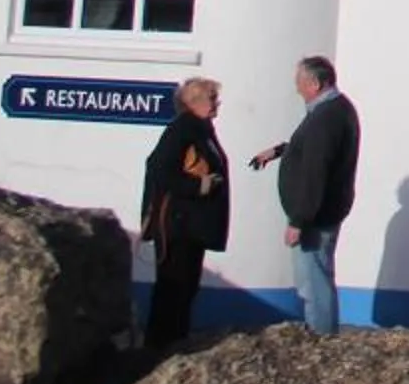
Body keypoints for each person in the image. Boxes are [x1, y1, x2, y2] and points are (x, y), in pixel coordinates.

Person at [249, 55, 360, 335]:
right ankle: (322, 336)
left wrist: (299, 220)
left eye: (299, 82)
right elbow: (313, 150)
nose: (297, 88)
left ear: (315, 83)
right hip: (323, 210)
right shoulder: (336, 109)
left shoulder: (325, 117)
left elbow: (316, 171)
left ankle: (322, 342)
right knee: (315, 278)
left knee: (313, 283)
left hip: (315, 216)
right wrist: (279, 151)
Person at [139, 76, 229, 353]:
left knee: (186, 287)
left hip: (192, 225)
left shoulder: (201, 129)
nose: (217, 103)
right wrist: (197, 186)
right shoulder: (183, 129)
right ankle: (160, 347)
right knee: (173, 287)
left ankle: (175, 342)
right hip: (178, 225)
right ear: (193, 102)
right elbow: (158, 168)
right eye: (212, 98)